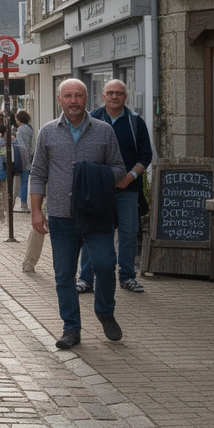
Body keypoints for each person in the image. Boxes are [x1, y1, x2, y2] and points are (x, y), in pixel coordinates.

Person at [29, 79, 128, 350]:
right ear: (59, 100)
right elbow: (37, 174)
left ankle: (105, 311)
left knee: (105, 265)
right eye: (68, 96)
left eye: (79, 96)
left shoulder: (104, 131)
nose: (73, 101)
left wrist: (95, 174)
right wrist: (36, 212)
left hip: (96, 213)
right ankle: (71, 328)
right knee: (64, 275)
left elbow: (119, 168)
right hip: (61, 215)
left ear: (87, 98)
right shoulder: (48, 132)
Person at [77, 80, 154, 294]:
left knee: (128, 233)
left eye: (119, 93)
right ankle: (86, 278)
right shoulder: (91, 119)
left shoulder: (135, 122)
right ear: (103, 96)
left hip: (128, 188)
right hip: (98, 190)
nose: (114, 96)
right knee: (93, 232)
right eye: (110, 93)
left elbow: (145, 155)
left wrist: (130, 176)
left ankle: (127, 277)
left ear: (125, 97)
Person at [14, 110, 35, 213]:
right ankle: (24, 202)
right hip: (28, 159)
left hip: (22, 158)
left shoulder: (20, 130)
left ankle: (23, 203)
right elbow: (32, 145)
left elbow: (20, 145)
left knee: (21, 182)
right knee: (25, 181)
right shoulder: (30, 129)